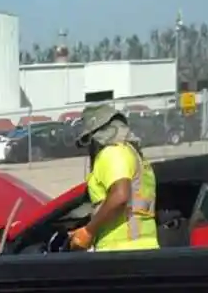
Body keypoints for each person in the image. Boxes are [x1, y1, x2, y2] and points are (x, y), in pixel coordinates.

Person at [60, 102, 158, 252]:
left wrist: (88, 231)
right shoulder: (135, 155)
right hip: (147, 247)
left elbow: (120, 196)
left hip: (120, 252)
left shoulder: (112, 153)